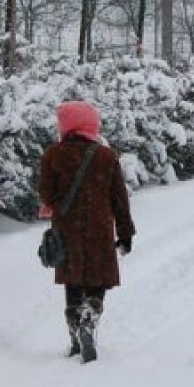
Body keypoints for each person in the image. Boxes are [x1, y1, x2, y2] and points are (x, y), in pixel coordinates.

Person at [38, 100, 135, 363]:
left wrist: (62, 203)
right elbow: (119, 199)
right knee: (98, 280)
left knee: (73, 281)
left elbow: (45, 193)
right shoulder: (105, 156)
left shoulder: (53, 155)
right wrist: (125, 233)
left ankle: (74, 336)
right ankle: (89, 318)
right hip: (99, 229)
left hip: (66, 229)